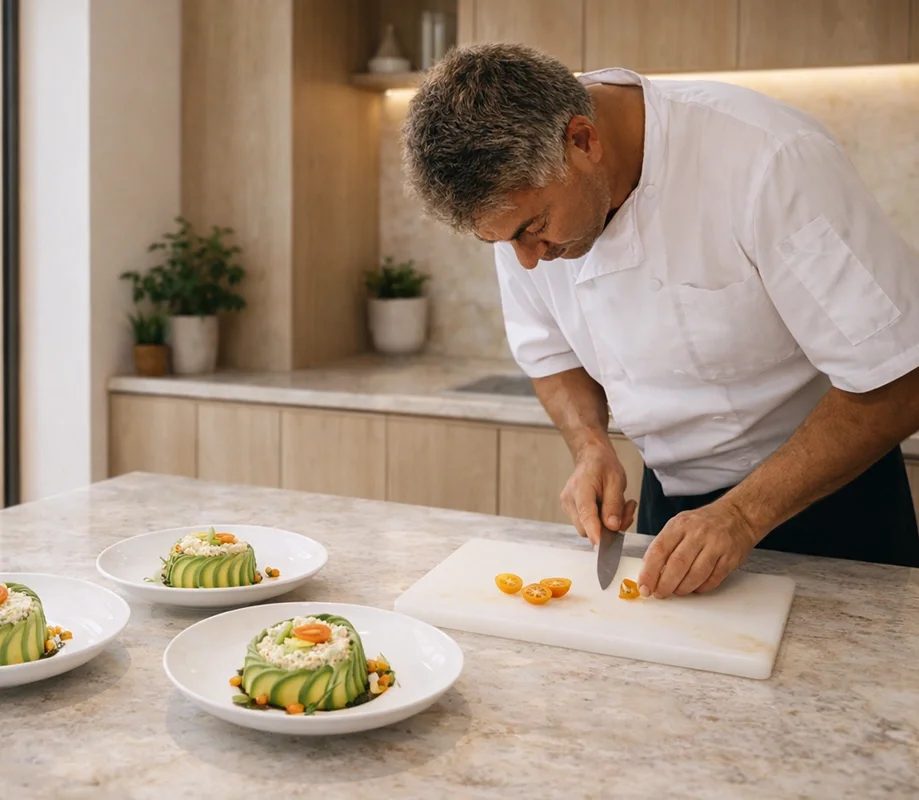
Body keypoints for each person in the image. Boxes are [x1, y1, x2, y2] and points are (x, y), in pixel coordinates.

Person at [400, 42, 919, 598]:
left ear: (583, 141)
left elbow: (898, 378)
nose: (527, 258)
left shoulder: (768, 158)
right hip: (670, 510)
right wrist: (590, 445)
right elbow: (551, 356)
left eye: (534, 228)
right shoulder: (521, 213)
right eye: (502, 244)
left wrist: (742, 517)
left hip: (833, 503)